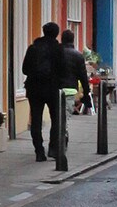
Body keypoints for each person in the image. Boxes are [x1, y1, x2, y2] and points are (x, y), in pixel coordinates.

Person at [22, 22, 66, 161]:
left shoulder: (33, 48)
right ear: (56, 33)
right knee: (56, 119)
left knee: (36, 119)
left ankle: (39, 151)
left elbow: (25, 69)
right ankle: (53, 148)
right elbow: (63, 70)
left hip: (34, 88)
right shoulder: (58, 50)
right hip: (52, 88)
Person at [60, 29, 92, 115]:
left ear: (61, 39)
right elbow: (83, 76)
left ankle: (58, 127)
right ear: (73, 40)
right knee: (66, 114)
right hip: (70, 89)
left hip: (56, 89)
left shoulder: (55, 53)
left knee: (56, 115)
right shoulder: (78, 55)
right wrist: (86, 92)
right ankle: (63, 128)